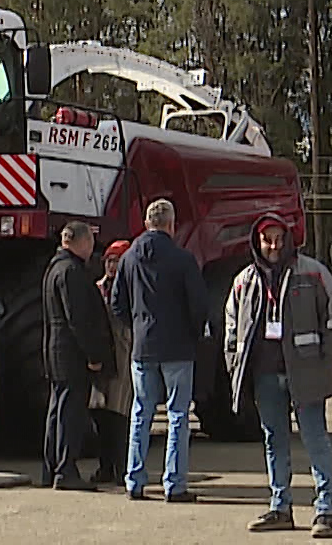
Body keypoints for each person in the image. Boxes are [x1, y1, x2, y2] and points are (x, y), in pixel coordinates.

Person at [225, 213, 332, 539]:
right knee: (273, 440)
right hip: (265, 376)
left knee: (315, 439)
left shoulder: (313, 273)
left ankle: (326, 510)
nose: (274, 245)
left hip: (306, 374)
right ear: (257, 242)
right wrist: (237, 368)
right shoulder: (244, 281)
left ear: (288, 239)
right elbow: (232, 330)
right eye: (267, 240)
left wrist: (326, 363)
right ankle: (280, 507)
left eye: (279, 239)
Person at [110, 197, 209, 502]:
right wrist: (194, 335)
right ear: (171, 224)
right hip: (178, 347)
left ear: (146, 223)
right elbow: (199, 305)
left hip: (142, 347)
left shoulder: (128, 259)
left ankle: (134, 481)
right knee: (178, 415)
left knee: (141, 412)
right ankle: (174, 484)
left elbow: (117, 303)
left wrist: (135, 327)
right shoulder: (183, 259)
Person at [42, 220, 114, 490]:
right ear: (82, 242)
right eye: (91, 243)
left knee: (56, 412)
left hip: (55, 352)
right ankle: (66, 470)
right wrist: (94, 354)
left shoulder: (53, 269)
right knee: (70, 414)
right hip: (71, 354)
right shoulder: (72, 272)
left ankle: (51, 469)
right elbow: (79, 319)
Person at [90, 238, 134, 486]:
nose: (111, 266)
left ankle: (121, 468)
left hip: (124, 356)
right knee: (101, 415)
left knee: (120, 415)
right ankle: (104, 465)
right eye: (109, 260)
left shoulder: (132, 290)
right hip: (102, 359)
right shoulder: (97, 288)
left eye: (117, 260)